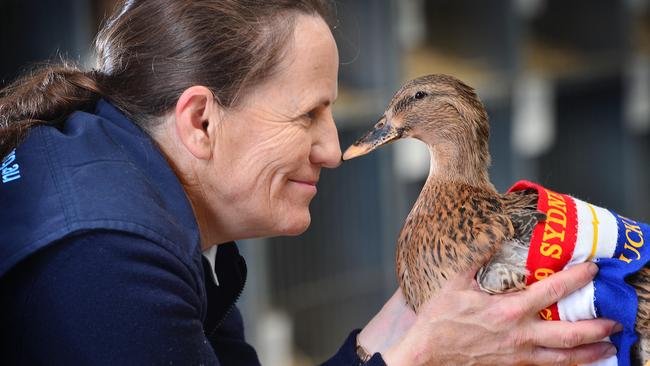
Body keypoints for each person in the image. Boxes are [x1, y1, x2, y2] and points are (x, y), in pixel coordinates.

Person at [0, 0, 621, 365]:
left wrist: (388, 339)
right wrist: (420, 359)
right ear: (200, 120)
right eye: (307, 115)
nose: (333, 150)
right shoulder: (106, 264)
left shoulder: (141, 191)